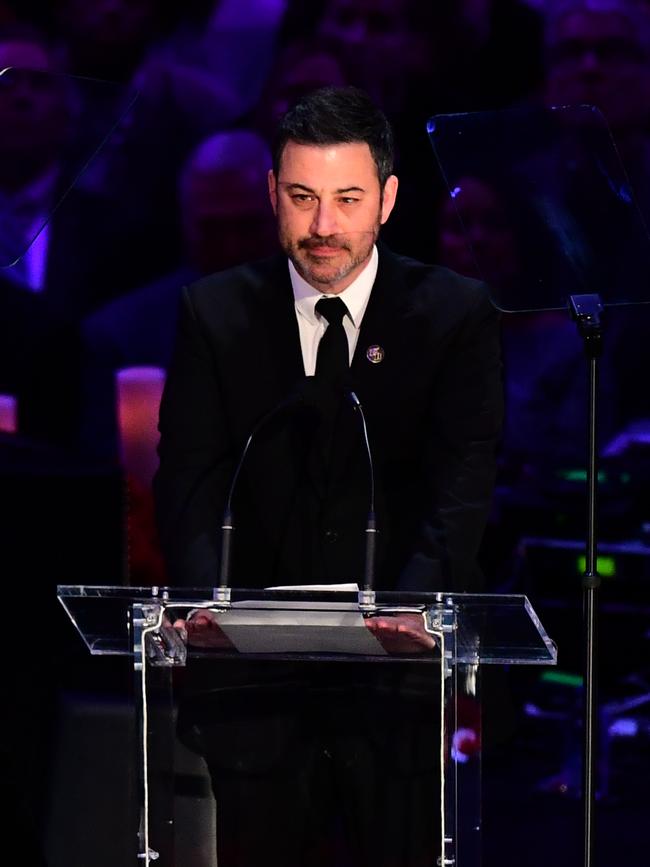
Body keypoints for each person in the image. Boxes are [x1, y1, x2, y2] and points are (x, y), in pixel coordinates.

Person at [153, 86, 503, 867]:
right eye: (304, 197)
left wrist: (412, 611)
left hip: (401, 690)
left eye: (347, 199)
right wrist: (211, 608)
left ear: (387, 198)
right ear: (272, 193)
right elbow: (188, 480)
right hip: (255, 687)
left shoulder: (454, 315)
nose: (323, 227)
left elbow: (461, 485)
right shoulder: (214, 314)